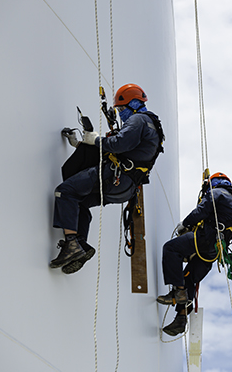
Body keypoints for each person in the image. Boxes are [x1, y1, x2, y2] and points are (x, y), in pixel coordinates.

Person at [49, 83, 164, 274]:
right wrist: (79, 145)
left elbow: (118, 145)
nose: (120, 114)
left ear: (134, 103)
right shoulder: (154, 129)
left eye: (121, 108)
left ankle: (71, 244)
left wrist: (93, 139)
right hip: (125, 188)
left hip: (115, 177)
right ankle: (80, 246)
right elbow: (125, 151)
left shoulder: (139, 120)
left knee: (65, 191)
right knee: (81, 202)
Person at [157, 172, 232, 336]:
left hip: (205, 239)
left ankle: (178, 292)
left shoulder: (217, 192)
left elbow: (202, 211)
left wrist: (185, 224)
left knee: (171, 249)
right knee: (188, 277)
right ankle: (181, 318)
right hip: (214, 251)